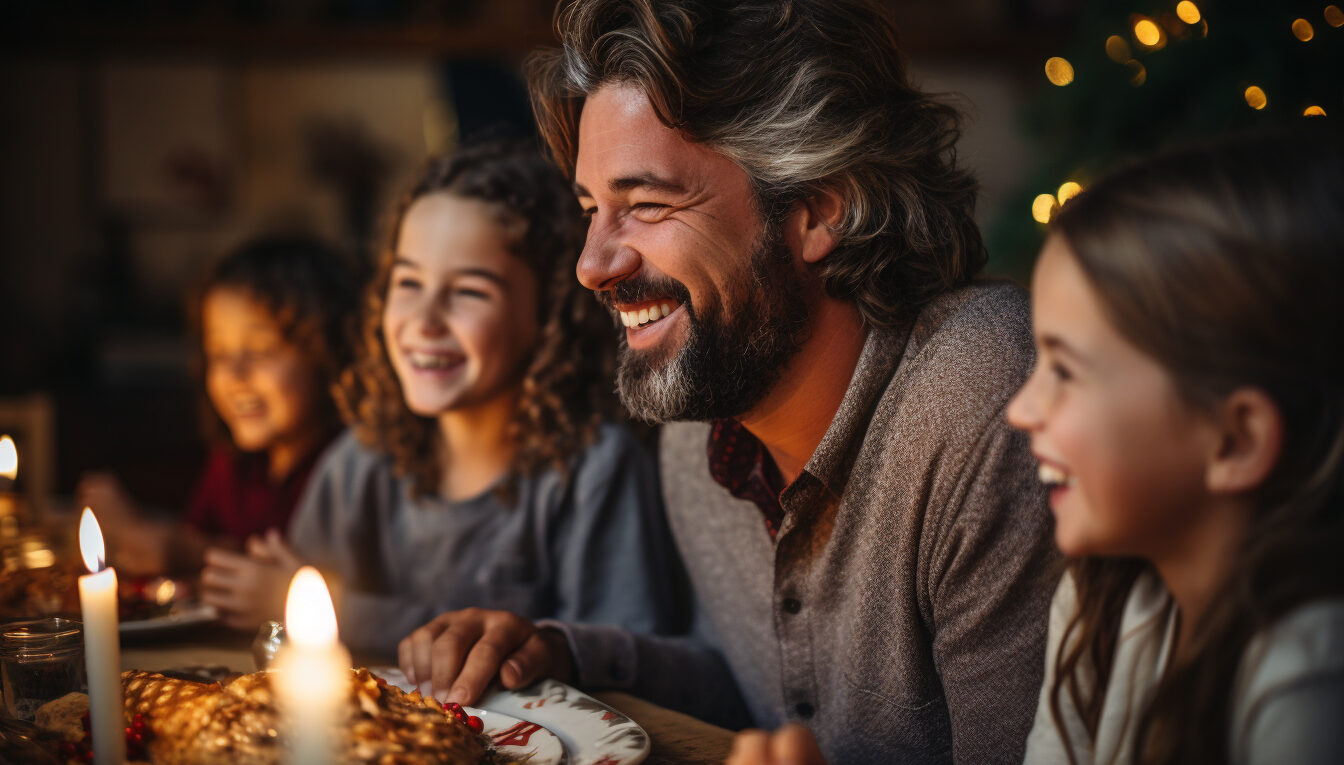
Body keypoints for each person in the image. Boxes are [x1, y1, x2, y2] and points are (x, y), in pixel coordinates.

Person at [397, 1, 1058, 762]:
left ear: (817, 209)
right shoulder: (702, 428)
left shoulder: (980, 395)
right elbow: (765, 692)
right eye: (591, 210)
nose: (591, 264)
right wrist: (560, 652)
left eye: (645, 205)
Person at [202, 139, 682, 671]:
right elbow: (293, 644)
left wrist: (349, 612)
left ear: (549, 314)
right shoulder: (356, 466)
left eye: (470, 292)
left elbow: (619, 661)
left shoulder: (596, 471)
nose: (425, 322)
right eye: (408, 283)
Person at [1007, 134, 1344, 764]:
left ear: (1235, 441)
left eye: (1065, 370)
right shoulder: (1102, 598)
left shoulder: (1312, 685)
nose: (1019, 409)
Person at [78, 235, 358, 577]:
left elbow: (313, 581)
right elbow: (195, 537)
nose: (234, 373)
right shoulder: (232, 463)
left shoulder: (350, 472)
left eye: (261, 350)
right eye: (219, 354)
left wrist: (189, 553)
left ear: (328, 357)